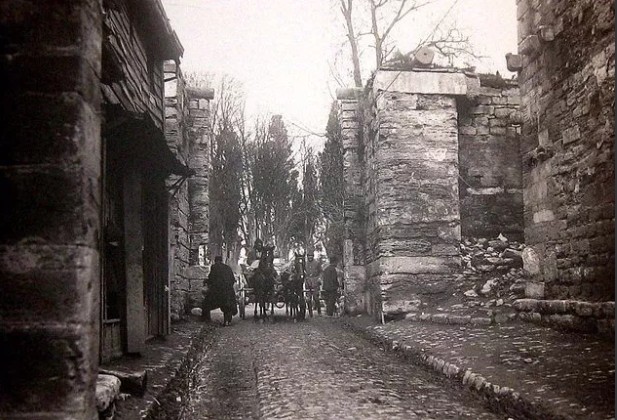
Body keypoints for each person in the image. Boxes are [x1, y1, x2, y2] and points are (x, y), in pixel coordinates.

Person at [204, 256, 238, 326]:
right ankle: (227, 320)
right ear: (221, 261)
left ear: (215, 261)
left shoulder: (214, 267)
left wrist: (207, 282)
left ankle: (206, 319)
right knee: (228, 304)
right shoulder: (228, 268)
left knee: (206, 302)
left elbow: (211, 278)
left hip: (217, 290)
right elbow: (232, 279)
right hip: (228, 290)